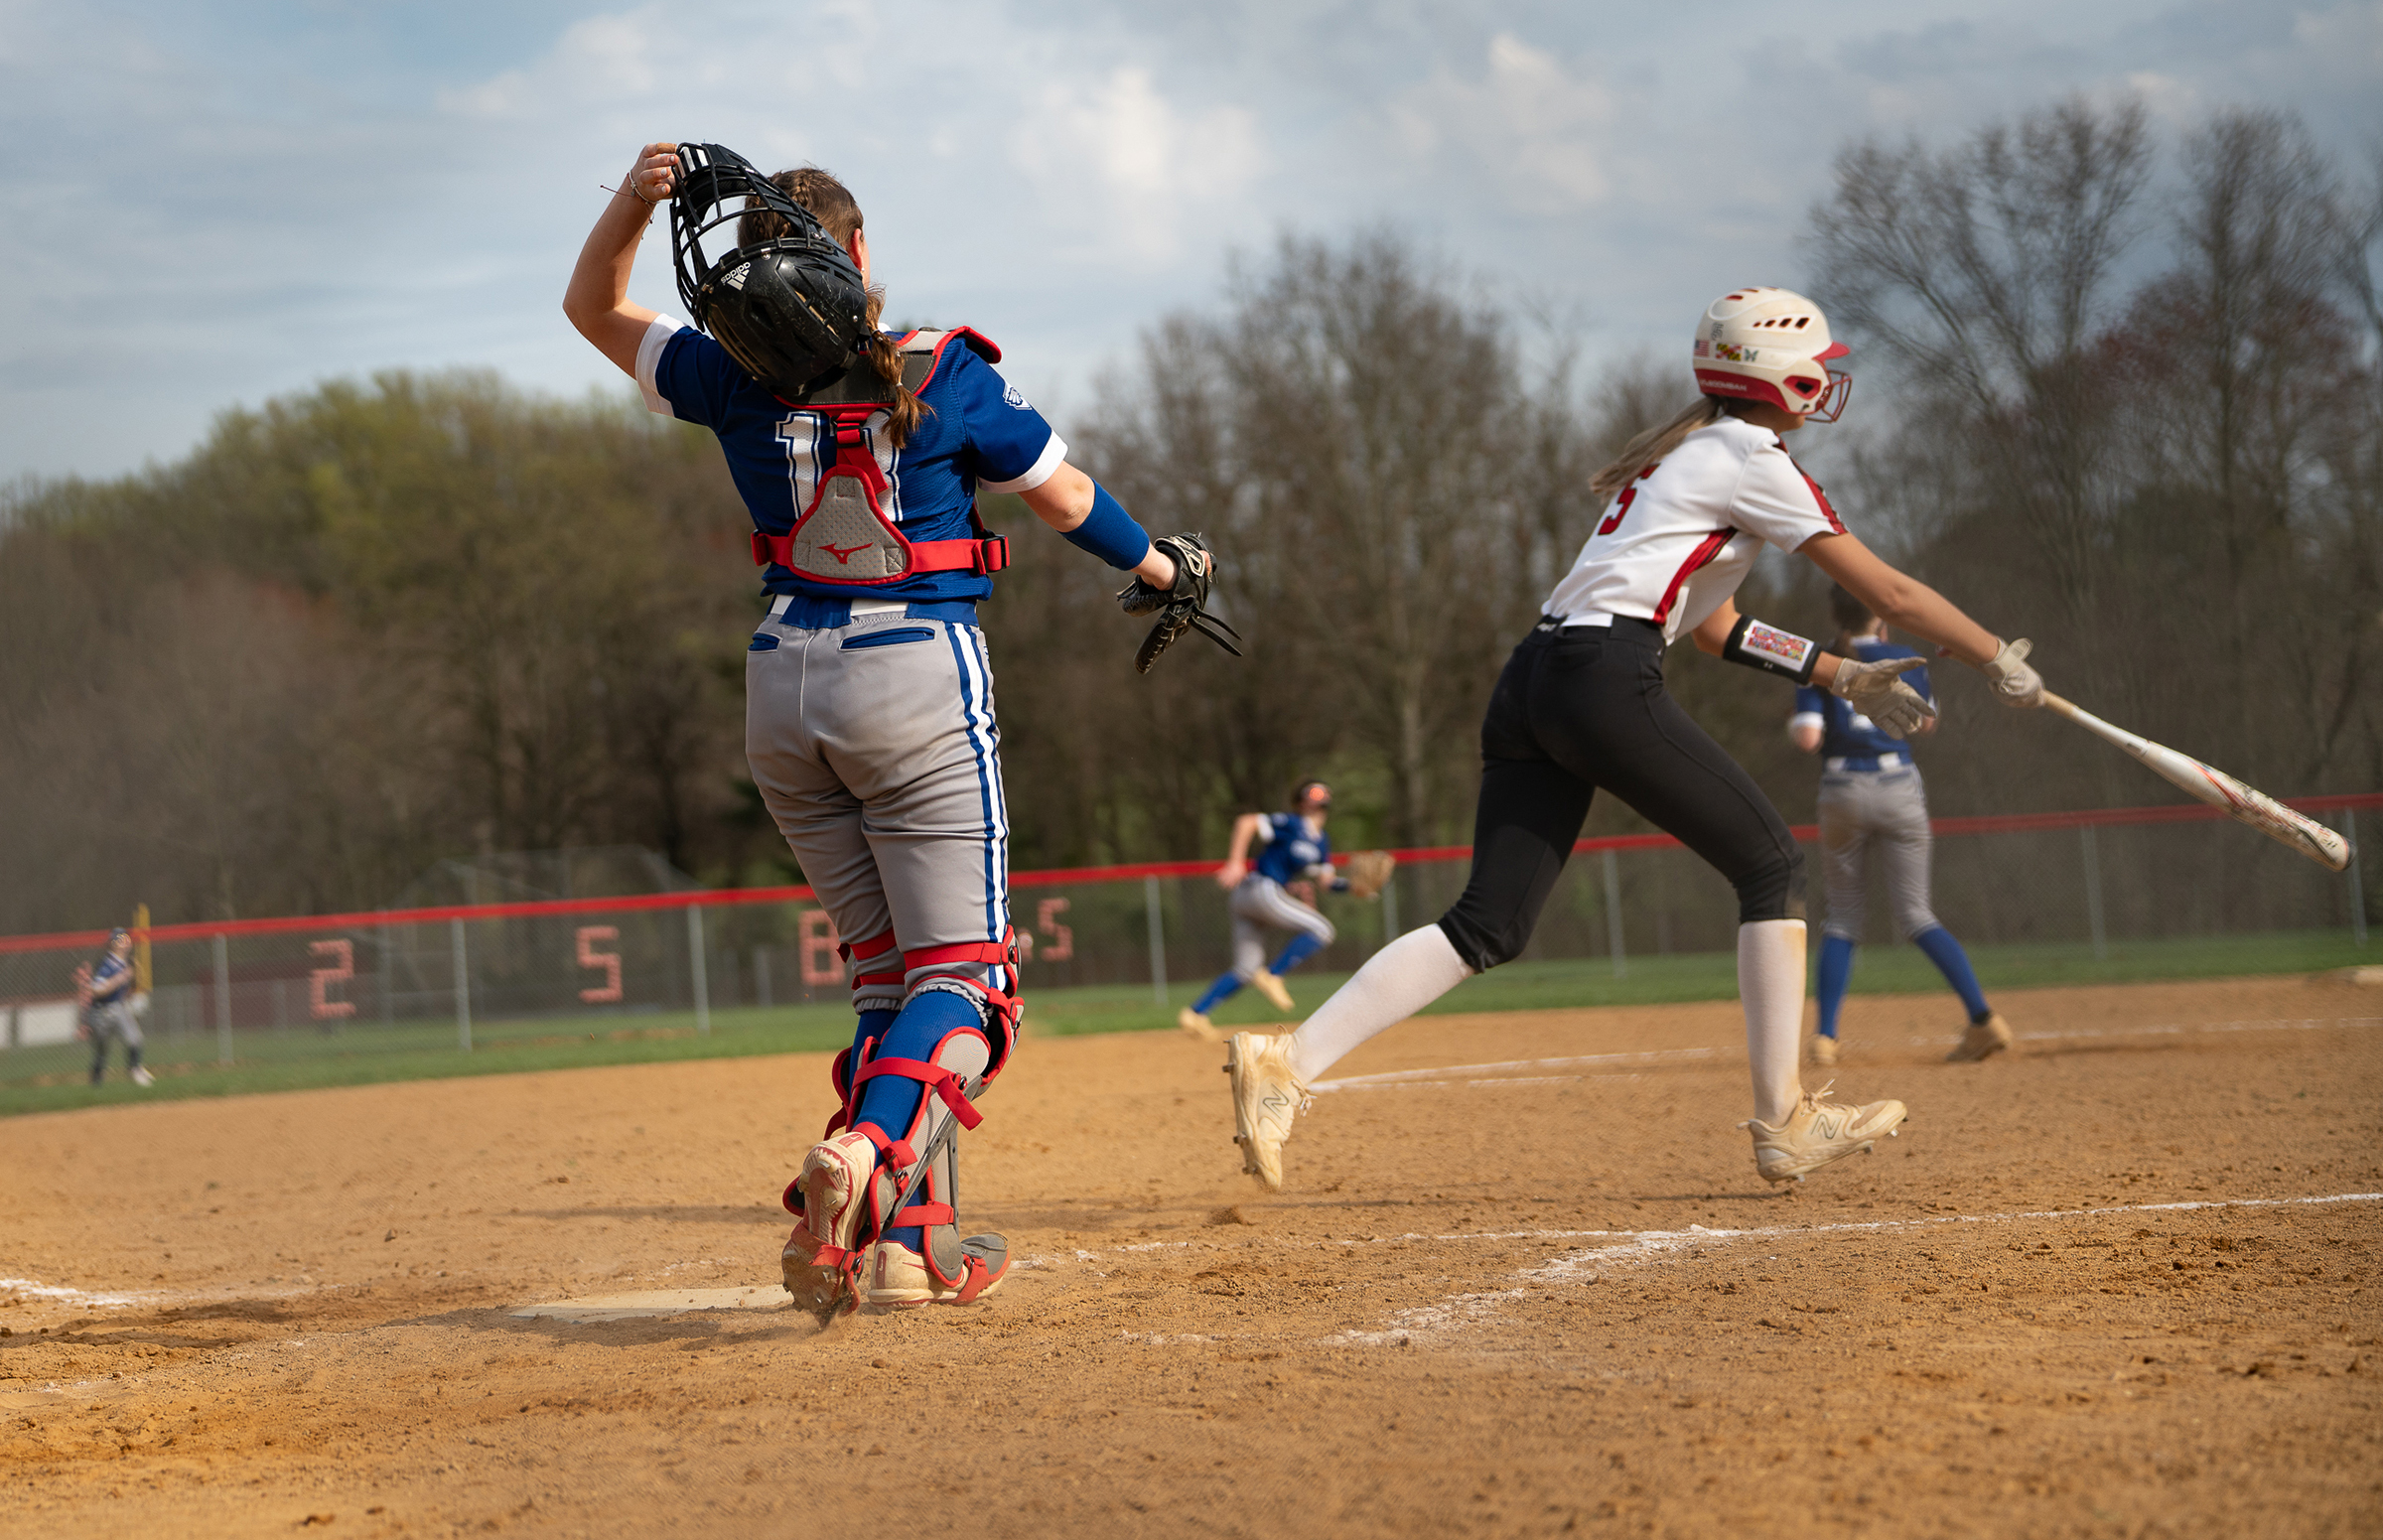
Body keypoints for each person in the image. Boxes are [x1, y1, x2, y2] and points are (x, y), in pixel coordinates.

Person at [565, 142, 1224, 1313]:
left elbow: (592, 307)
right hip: (911, 677)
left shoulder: (728, 378)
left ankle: (911, 1250)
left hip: (783, 688)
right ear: (858, 256)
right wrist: (1162, 565)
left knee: (892, 985)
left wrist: (635, 197)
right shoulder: (941, 370)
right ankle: (861, 1159)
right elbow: (1067, 501)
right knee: (969, 985)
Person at [1224, 285, 2045, 1190]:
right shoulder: (1750, 456)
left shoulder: (1692, 451)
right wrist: (1990, 654)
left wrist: (1838, 674)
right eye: (1819, 363)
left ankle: (1286, 1062)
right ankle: (1784, 1121)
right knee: (1771, 866)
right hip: (1602, 676)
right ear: (1780, 374)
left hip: (1535, 676)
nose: (1828, 378)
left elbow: (1715, 624)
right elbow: (1891, 596)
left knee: (1488, 922)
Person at [1791, 587, 2012, 1067]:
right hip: (1898, 786)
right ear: (1880, 617)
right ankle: (1984, 1019)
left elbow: (1808, 738)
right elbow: (1924, 726)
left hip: (1842, 789)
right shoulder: (1903, 658)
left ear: (1836, 616)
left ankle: (1826, 1038)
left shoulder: (1822, 659)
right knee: (1916, 915)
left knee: (1844, 917)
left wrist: (1803, 721)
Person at [1179, 780, 1358, 1042]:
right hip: (1258, 889)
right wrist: (1236, 862)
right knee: (1323, 929)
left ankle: (1195, 1014)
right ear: (1301, 801)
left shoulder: (1321, 841)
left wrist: (1355, 887)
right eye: (1313, 793)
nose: (1319, 798)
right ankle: (1274, 975)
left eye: (1323, 793)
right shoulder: (1291, 823)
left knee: (1246, 970)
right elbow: (1246, 822)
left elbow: (1327, 883)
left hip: (1256, 899)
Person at [81, 927, 153, 1087]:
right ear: (113, 944)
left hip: (117, 1007)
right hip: (100, 1012)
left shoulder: (125, 964)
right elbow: (97, 990)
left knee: (135, 1039)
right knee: (102, 1050)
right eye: (120, 939)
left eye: (126, 938)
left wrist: (134, 996)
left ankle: (135, 1069)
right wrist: (120, 978)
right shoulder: (107, 965)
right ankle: (96, 1081)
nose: (125, 942)